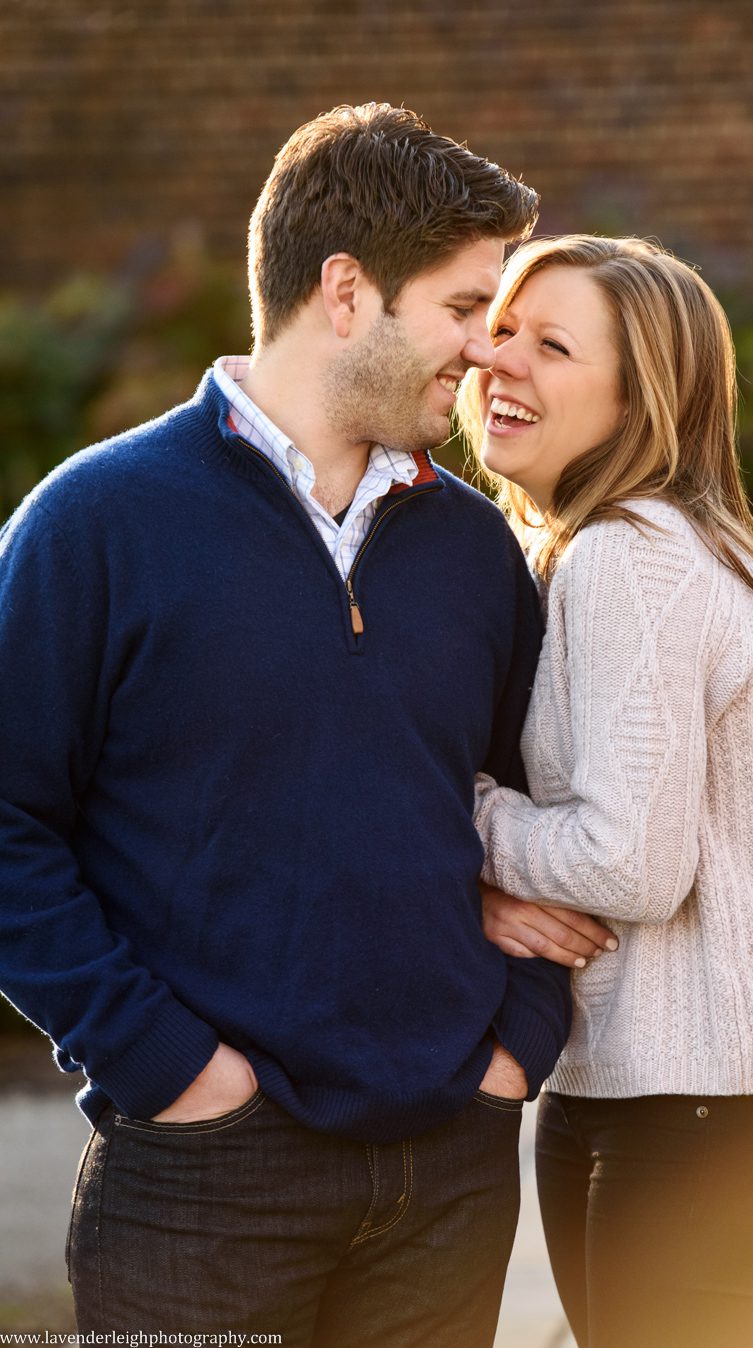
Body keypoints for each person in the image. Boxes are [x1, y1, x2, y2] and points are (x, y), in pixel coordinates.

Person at [0, 104, 578, 1347]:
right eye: (465, 308)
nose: (485, 353)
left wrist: (512, 1054)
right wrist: (169, 1069)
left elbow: (539, 805)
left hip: (449, 1172)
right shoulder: (94, 526)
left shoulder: (475, 552)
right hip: (199, 1184)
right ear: (346, 289)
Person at [459, 234, 753, 1348]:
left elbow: (628, 862)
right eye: (499, 334)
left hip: (702, 1103)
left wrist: (468, 814)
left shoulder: (628, 556)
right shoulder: (655, 548)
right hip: (686, 1092)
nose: (503, 364)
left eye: (552, 345)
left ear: (641, 403)